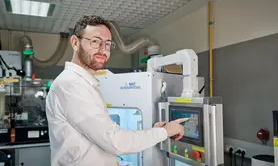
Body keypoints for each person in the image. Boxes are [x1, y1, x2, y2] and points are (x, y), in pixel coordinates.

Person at [45, 15, 188, 166]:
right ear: (75, 42)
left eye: (107, 44)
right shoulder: (72, 85)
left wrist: (152, 133)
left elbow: (99, 144)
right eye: (95, 41)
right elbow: (115, 142)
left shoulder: (85, 83)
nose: (103, 50)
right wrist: (166, 132)